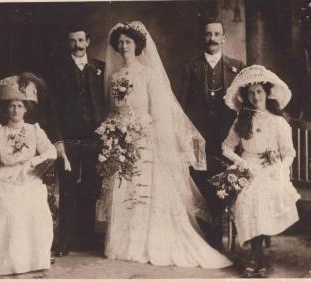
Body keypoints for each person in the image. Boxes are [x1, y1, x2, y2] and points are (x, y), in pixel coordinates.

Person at [97, 21, 232, 268]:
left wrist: (146, 134)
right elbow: (113, 110)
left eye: (129, 42)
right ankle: (125, 244)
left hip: (144, 139)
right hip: (121, 139)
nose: (124, 46)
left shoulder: (147, 74)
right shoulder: (115, 76)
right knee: (125, 189)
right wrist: (113, 131)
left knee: (145, 190)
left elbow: (157, 112)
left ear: (137, 45)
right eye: (121, 42)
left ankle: (148, 242)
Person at [0, 73, 56, 275]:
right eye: (12, 106)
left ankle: (32, 259)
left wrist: (33, 161)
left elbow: (52, 151)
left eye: (20, 106)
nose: (16, 110)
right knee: (9, 209)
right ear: (7, 108)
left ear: (26, 109)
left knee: (32, 206)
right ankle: (8, 260)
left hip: (30, 178)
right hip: (3, 181)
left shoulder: (35, 131)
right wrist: (6, 178)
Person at [222, 65, 300, 277]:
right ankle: (259, 257)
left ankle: (255, 257)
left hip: (273, 169)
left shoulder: (278, 122)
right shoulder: (243, 119)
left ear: (267, 93)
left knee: (261, 195)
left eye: (259, 91)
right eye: (251, 92)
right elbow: (226, 147)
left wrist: (280, 169)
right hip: (248, 166)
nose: (256, 96)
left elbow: (290, 153)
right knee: (247, 197)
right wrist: (241, 162)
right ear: (246, 96)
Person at [178, 17, 245, 250]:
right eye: (208, 34)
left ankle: (226, 234)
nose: (212, 39)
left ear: (224, 39)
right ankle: (207, 236)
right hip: (199, 138)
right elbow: (182, 106)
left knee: (227, 180)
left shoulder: (238, 67)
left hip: (228, 138)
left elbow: (244, 107)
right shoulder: (190, 68)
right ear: (202, 38)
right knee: (202, 181)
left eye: (217, 35)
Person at [49, 25, 106, 256]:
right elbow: (52, 108)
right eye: (72, 41)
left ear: (88, 41)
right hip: (69, 137)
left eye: (81, 40)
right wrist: (58, 139)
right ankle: (65, 240)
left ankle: (87, 238)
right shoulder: (58, 68)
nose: (77, 45)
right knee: (69, 187)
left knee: (91, 188)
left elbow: (106, 103)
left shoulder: (100, 68)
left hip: (94, 137)